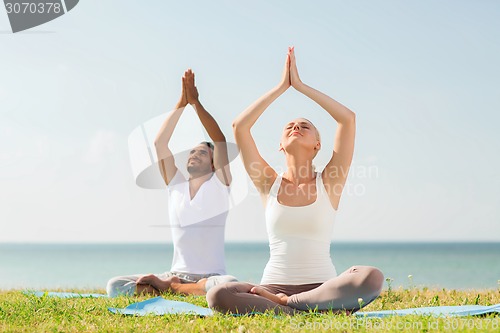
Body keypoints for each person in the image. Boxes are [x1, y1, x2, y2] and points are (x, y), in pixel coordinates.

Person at [206, 47, 384, 314]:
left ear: (317, 145)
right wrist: (281, 87)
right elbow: (240, 126)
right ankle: (304, 311)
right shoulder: (268, 183)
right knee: (219, 294)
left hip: (322, 289)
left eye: (305, 125)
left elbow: (347, 119)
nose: (296, 127)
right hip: (271, 288)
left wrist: (300, 86)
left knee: (371, 276)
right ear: (280, 145)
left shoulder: (330, 181)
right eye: (289, 126)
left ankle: (291, 307)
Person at [107, 69, 237, 297]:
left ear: (215, 164)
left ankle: (171, 289)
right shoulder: (175, 185)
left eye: (202, 153)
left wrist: (195, 104)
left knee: (228, 284)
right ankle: (176, 286)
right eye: (192, 152)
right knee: (115, 285)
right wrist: (181, 103)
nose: (193, 155)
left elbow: (219, 139)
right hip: (175, 272)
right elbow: (159, 143)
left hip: (211, 276)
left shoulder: (220, 184)